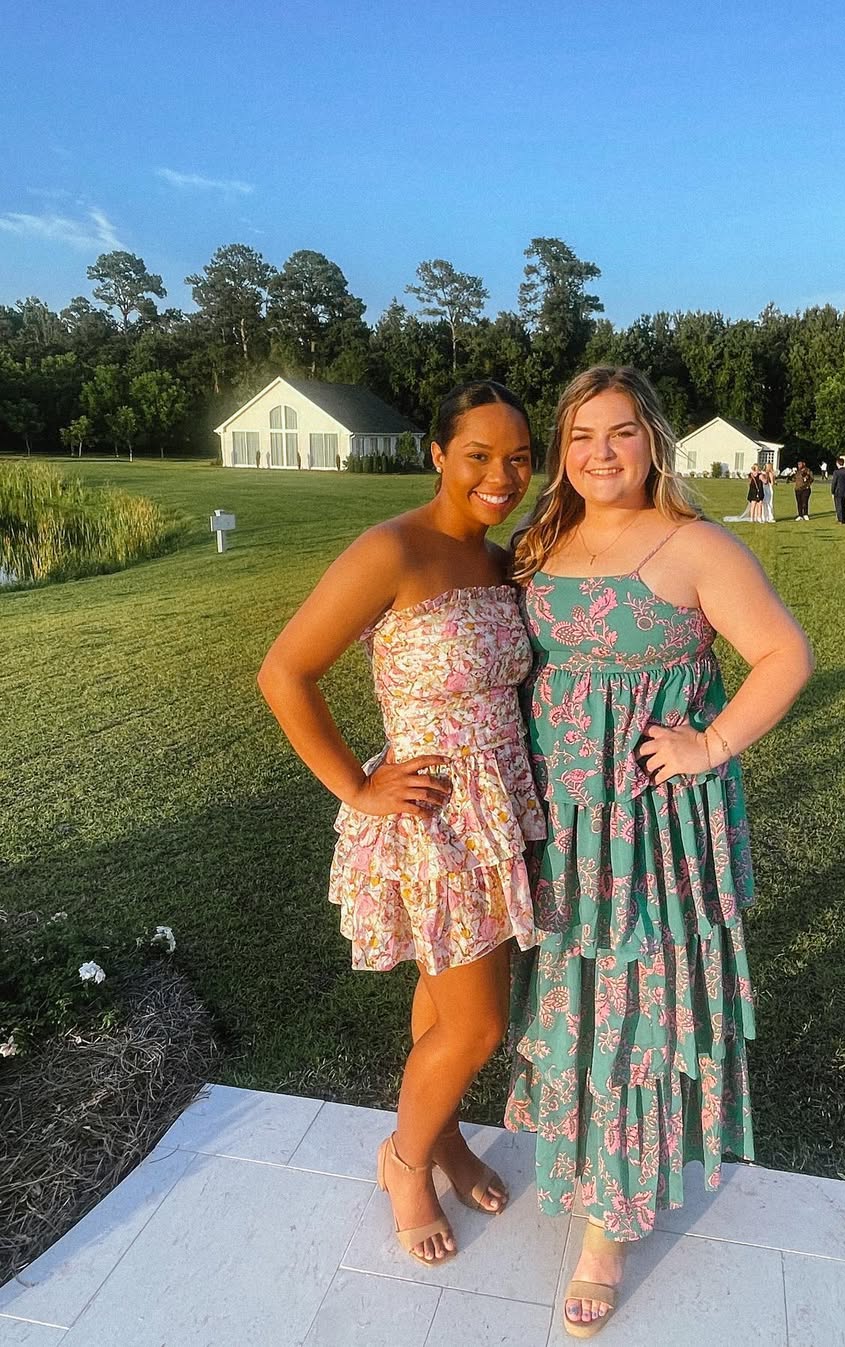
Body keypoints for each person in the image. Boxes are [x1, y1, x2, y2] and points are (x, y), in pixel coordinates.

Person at [505, 366, 814, 1336]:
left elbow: (786, 655)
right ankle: (575, 1149)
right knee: (572, 988)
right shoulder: (542, 540)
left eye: (622, 432)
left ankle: (611, 1223)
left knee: (635, 999)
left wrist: (708, 745)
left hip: (650, 826)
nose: (601, 452)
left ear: (654, 443)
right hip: (564, 820)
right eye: (581, 435)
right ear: (562, 450)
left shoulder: (696, 546)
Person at [257, 381, 544, 1267]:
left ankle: (444, 1135)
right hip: (435, 820)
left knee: (444, 1004)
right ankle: (405, 1162)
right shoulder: (390, 549)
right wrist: (356, 784)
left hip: (499, 811)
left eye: (519, 459)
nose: (502, 476)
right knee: (478, 1026)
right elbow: (284, 671)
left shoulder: (502, 560)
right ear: (438, 454)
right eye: (479, 455)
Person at [831, 455, 845, 523]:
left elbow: (834, 483)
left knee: (838, 506)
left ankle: (840, 520)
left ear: (837, 463)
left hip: (838, 491)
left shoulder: (836, 472)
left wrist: (832, 491)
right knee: (843, 505)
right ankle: (844, 519)